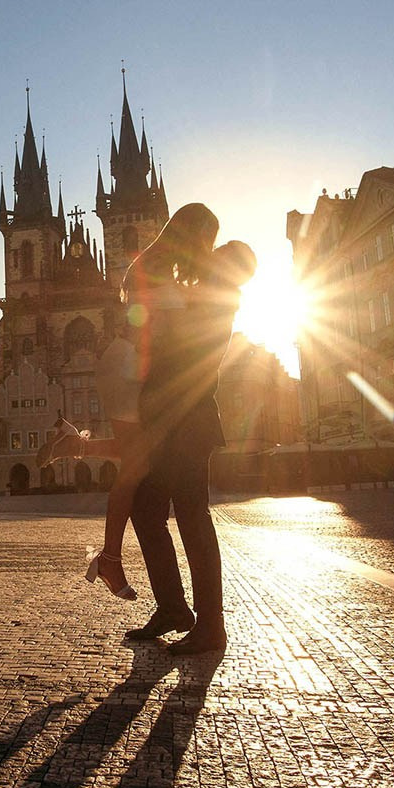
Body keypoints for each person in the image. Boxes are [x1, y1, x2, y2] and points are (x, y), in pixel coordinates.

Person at [37, 203, 220, 600]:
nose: (207, 249)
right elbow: (161, 329)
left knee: (137, 452)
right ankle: (110, 558)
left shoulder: (153, 263)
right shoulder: (158, 269)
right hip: (128, 366)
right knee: (134, 469)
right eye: (207, 240)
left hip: (123, 362)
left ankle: (74, 447)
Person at [126, 238, 257, 654]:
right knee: (148, 510)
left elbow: (176, 347)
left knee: (192, 520)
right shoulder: (205, 297)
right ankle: (174, 609)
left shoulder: (216, 302)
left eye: (216, 259)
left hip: (187, 426)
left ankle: (210, 626)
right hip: (174, 424)